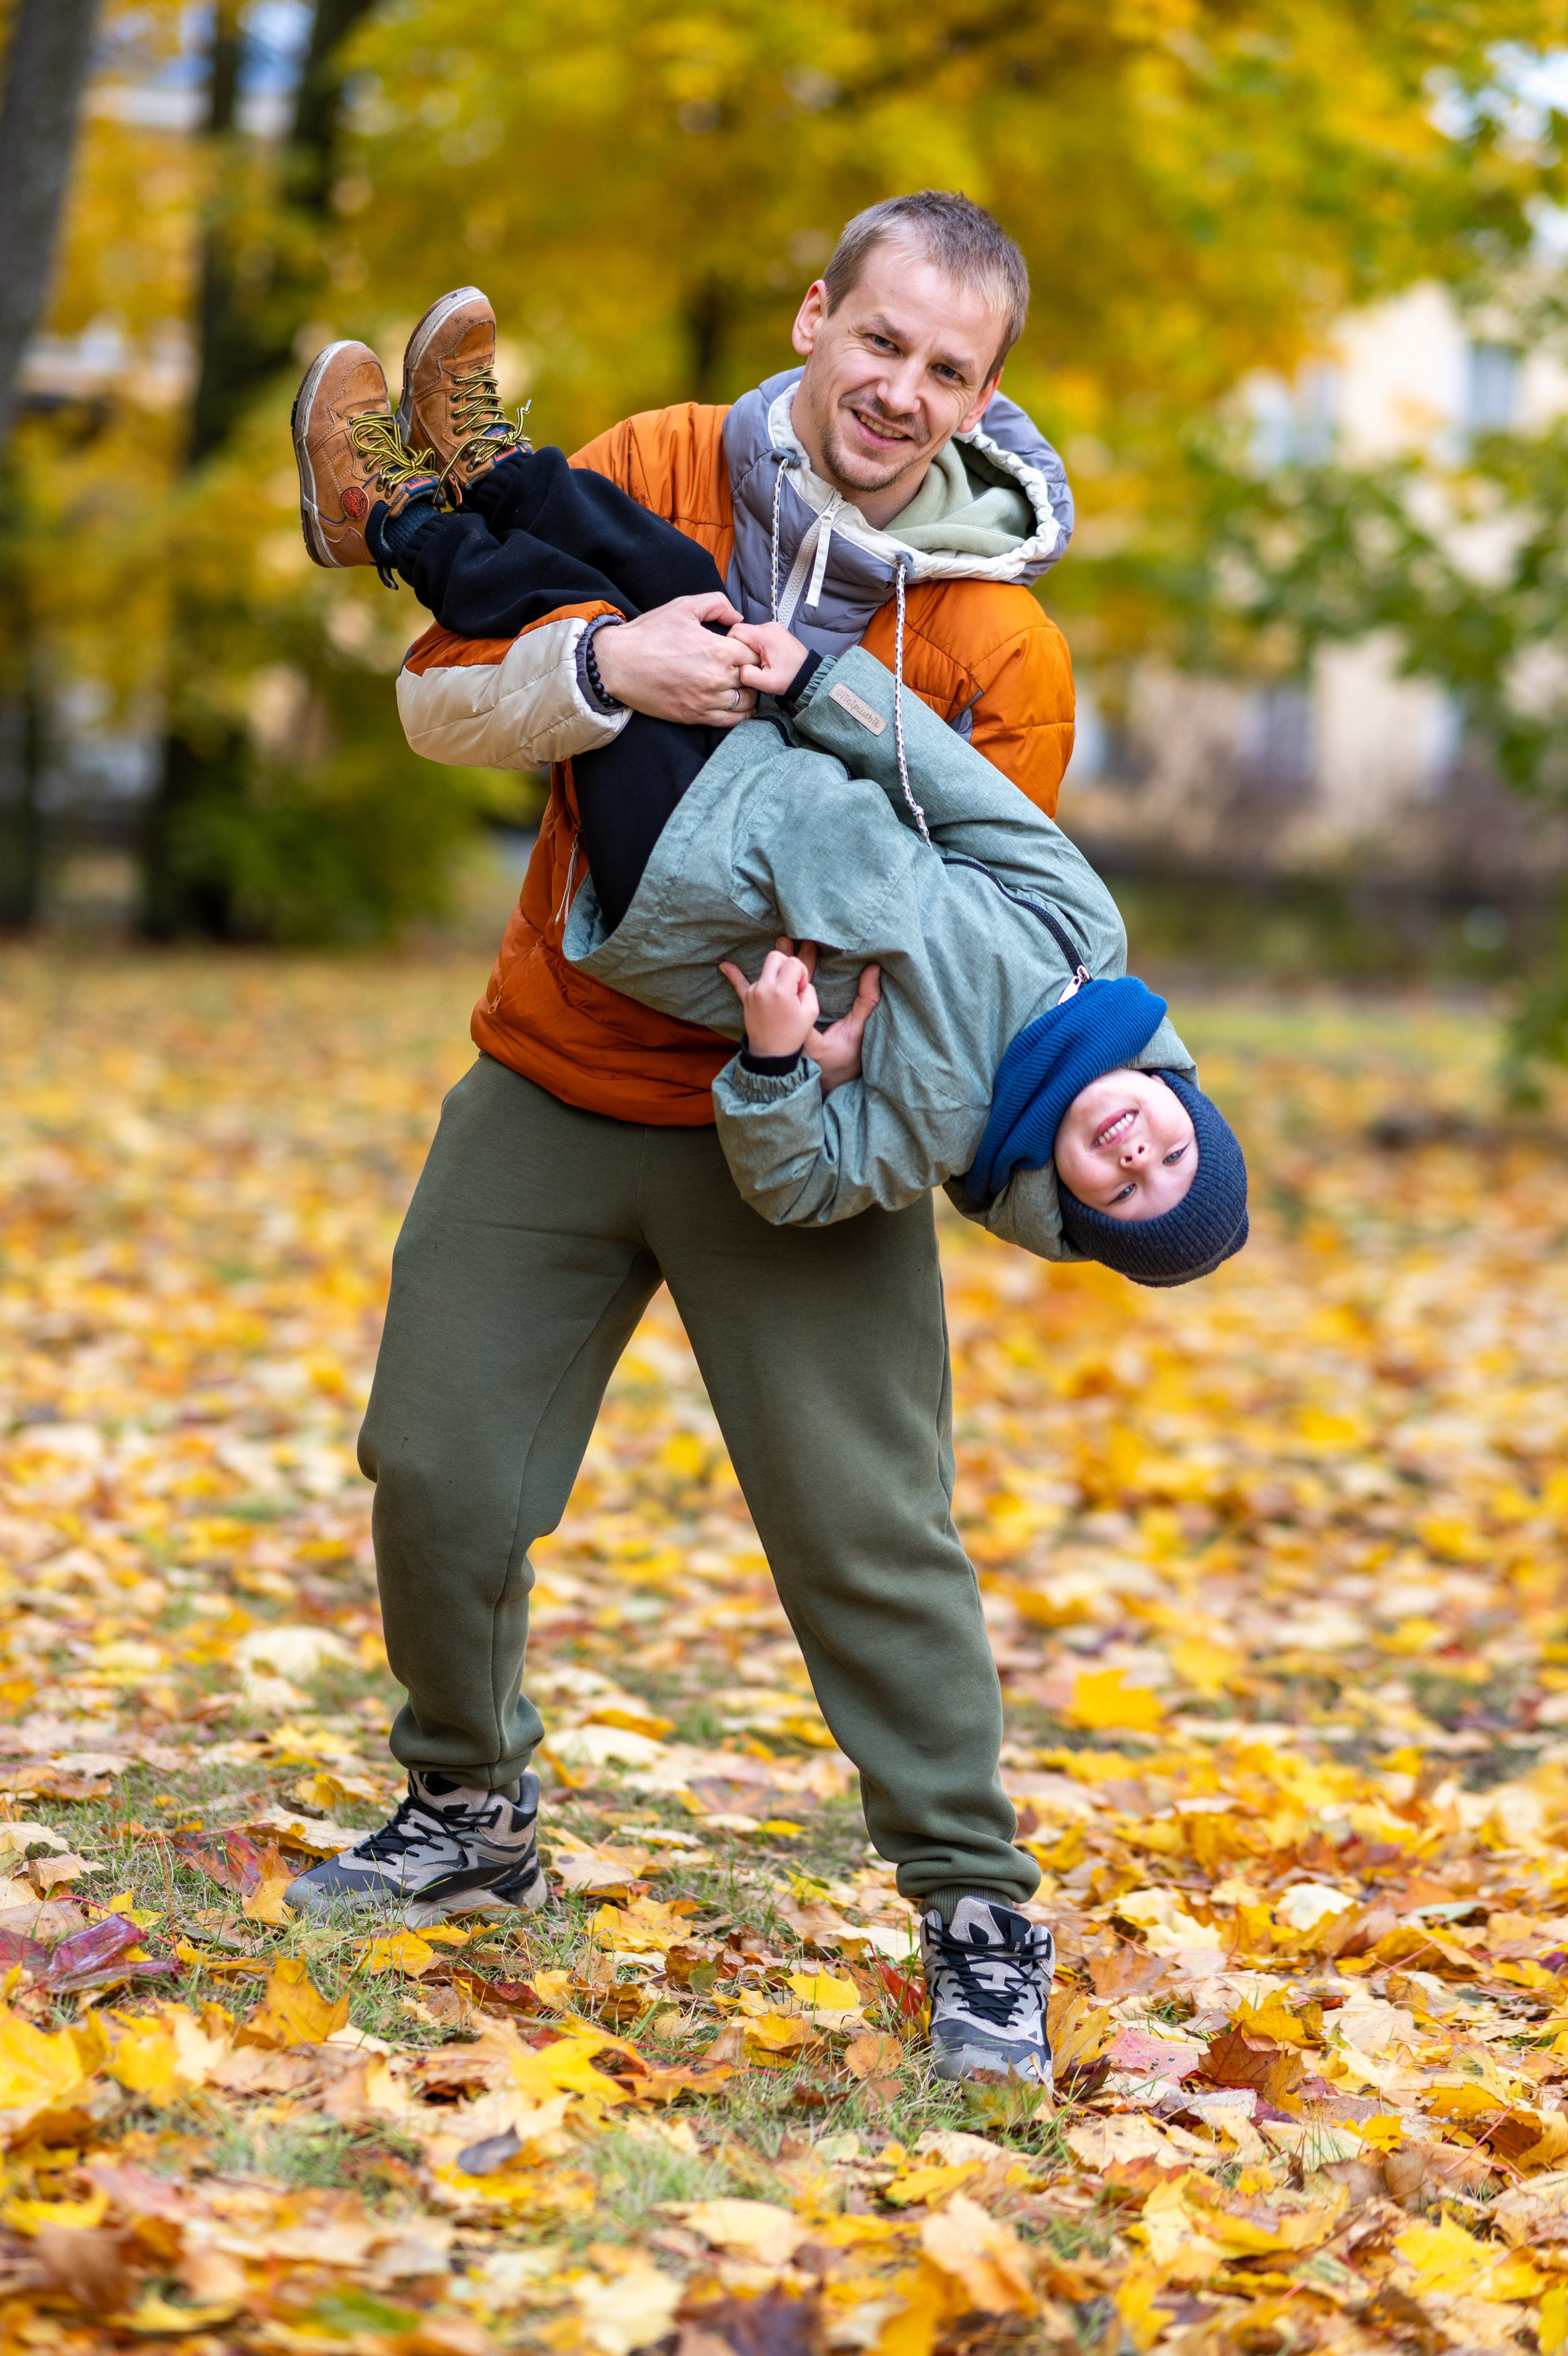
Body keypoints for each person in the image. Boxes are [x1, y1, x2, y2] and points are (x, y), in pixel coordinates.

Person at [283, 196, 1143, 2087]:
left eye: (951, 371)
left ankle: (978, 1907)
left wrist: (814, 1037)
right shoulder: (662, 458)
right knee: (434, 1470)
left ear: (987, 399)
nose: (902, 392)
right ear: (815, 314)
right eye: (881, 341)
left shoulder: (1003, 646)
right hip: (561, 1067)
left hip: (806, 1121)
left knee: (869, 1537)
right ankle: (467, 1810)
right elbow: (438, 703)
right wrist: (609, 681)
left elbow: (961, 925)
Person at [295, 423, 1247, 1280]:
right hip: (778, 763)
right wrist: (818, 687)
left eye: (1123, 1194)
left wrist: (777, 1062)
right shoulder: (1086, 938)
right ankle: (493, 473)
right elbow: (965, 797)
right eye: (1174, 1156)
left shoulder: (940, 1131)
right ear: (1184, 1103)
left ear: (1063, 1206)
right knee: (680, 586)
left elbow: (795, 1183)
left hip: (697, 878)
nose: (1136, 1158)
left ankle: (394, 523)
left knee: (594, 624)